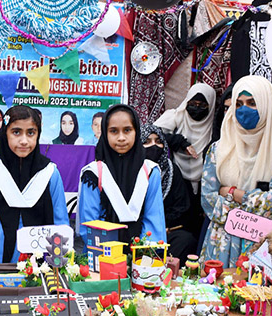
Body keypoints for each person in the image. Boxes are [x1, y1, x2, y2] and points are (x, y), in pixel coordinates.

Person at [200, 75, 272, 268]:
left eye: (252, 103)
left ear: (266, 105)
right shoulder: (219, 149)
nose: (244, 110)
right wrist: (254, 202)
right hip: (220, 244)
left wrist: (233, 193)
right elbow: (208, 198)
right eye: (239, 104)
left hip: (260, 244)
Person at [0, 105, 69, 263]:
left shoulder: (50, 173)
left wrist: (58, 261)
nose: (24, 141)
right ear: (5, 133)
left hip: (42, 257)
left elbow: (60, 221)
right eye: (16, 132)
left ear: (38, 134)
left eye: (31, 133)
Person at [77, 104, 166, 250]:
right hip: (102, 254)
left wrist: (144, 256)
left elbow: (154, 221)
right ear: (105, 133)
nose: (121, 138)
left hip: (141, 255)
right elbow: (90, 224)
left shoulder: (150, 172)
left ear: (136, 131)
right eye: (113, 131)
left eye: (127, 130)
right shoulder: (94, 174)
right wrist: (110, 257)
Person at [141, 124, 196, 266]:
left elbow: (181, 207)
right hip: (137, 230)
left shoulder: (171, 170)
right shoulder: (130, 170)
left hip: (166, 229)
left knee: (185, 240)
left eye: (158, 141)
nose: (154, 146)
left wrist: (163, 226)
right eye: (147, 141)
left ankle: (165, 274)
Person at [155, 82, 217, 193]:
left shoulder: (216, 127)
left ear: (211, 106)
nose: (196, 108)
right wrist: (179, 142)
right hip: (176, 181)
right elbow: (151, 134)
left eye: (202, 105)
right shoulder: (176, 117)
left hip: (206, 184)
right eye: (192, 104)